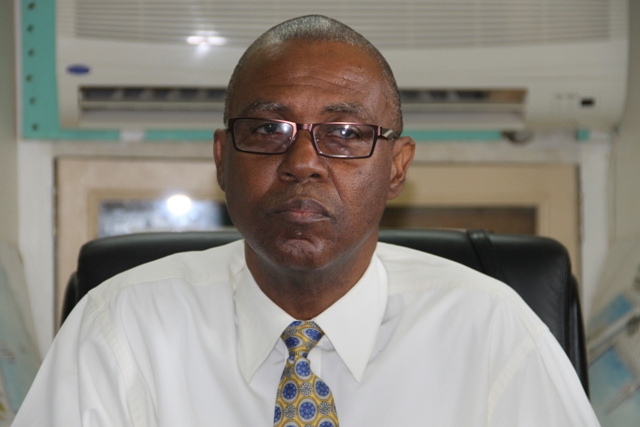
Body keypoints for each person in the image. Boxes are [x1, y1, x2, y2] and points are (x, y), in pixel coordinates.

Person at [13, 15, 600, 427]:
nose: (302, 164)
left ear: (397, 168)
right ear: (223, 159)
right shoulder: (120, 329)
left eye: (344, 134)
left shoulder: (493, 331)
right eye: (269, 130)